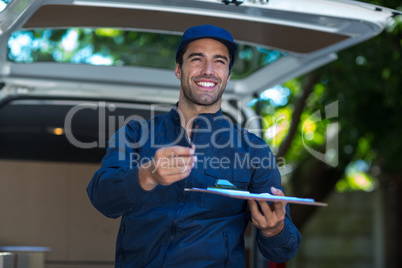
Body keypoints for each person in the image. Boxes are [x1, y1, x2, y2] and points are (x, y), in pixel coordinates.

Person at [87, 24, 301, 267]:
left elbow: (283, 251)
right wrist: (147, 175)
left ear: (228, 75)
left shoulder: (254, 151)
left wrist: (275, 230)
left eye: (219, 61)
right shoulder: (136, 133)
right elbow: (103, 198)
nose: (208, 70)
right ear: (179, 69)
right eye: (197, 59)